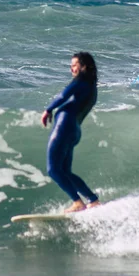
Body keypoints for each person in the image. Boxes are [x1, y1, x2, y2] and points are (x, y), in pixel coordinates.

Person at [41, 52, 101, 213]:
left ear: (84, 66)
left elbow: (63, 95)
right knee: (65, 171)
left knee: (53, 170)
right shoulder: (92, 88)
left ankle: (77, 203)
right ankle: (93, 200)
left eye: (74, 65)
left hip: (64, 126)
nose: (71, 69)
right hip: (74, 130)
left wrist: (48, 110)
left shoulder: (81, 82)